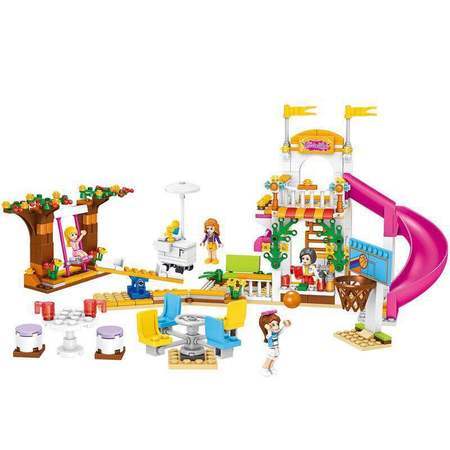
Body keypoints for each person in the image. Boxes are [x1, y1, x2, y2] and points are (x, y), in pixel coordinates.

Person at [259, 310, 291, 376]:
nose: (277, 326)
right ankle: (264, 369)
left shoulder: (275, 333)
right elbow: (269, 335)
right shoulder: (269, 335)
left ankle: (271, 367)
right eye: (273, 324)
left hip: (276, 347)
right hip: (271, 348)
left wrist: (284, 326)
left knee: (275, 357)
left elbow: (281, 332)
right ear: (267, 325)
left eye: (277, 324)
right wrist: (268, 329)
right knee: (270, 358)